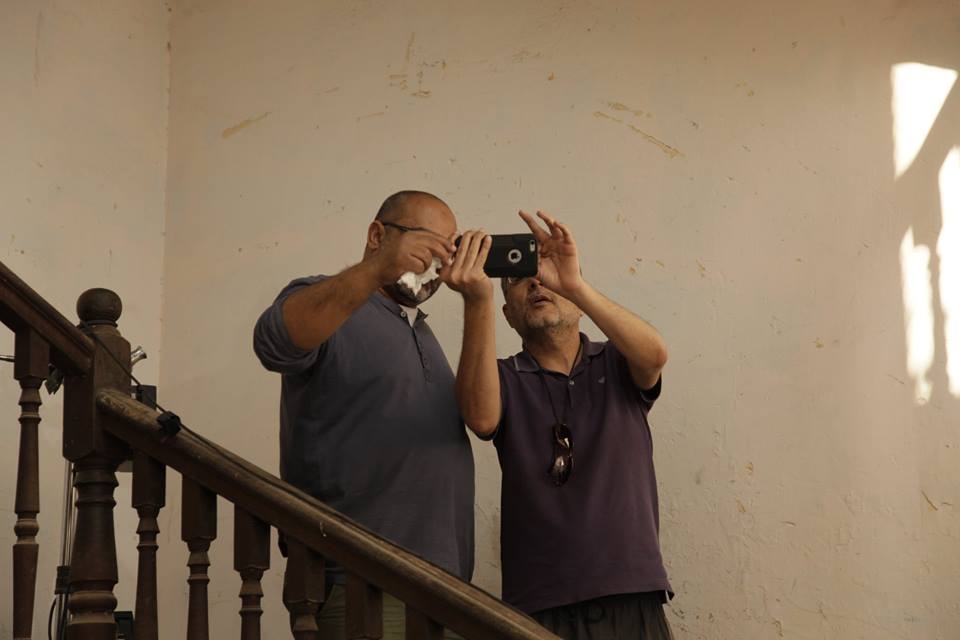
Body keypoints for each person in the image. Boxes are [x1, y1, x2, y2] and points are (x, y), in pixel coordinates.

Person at [253, 191, 474, 639]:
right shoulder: (327, 300)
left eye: (446, 253)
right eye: (427, 244)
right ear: (377, 235)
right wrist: (377, 269)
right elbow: (273, 344)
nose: (435, 263)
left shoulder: (422, 331)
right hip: (360, 580)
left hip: (447, 590)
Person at [447, 210, 674, 639]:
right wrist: (477, 300)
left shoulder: (616, 360)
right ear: (508, 314)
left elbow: (656, 355)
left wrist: (574, 284)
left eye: (544, 275)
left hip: (630, 592)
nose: (535, 283)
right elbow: (480, 416)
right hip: (538, 606)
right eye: (519, 280)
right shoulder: (502, 377)